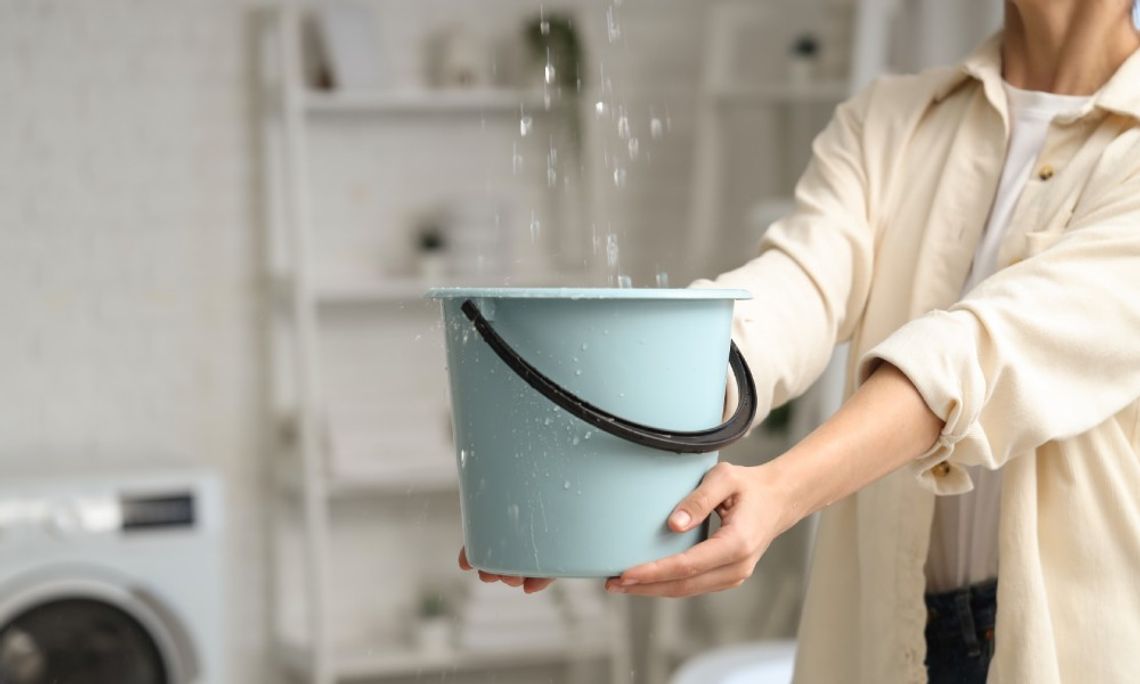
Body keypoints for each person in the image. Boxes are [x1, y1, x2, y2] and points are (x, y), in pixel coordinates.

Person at [459, 1, 1140, 681]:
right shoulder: (891, 120)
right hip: (887, 634)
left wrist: (784, 490)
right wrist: (577, 460)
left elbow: (987, 351)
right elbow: (792, 293)